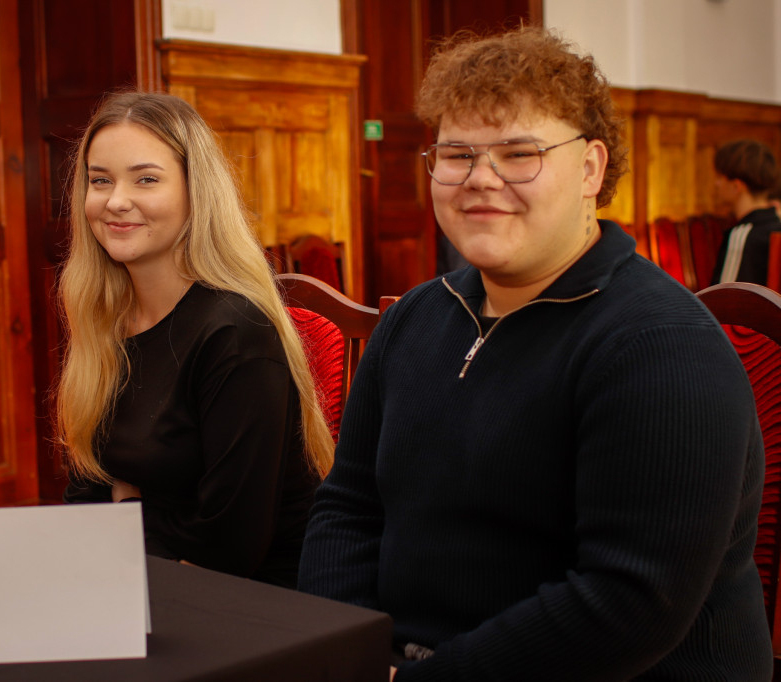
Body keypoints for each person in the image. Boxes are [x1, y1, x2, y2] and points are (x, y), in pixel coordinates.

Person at [298, 27, 771, 681]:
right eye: (457, 154)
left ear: (591, 169)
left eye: (519, 154)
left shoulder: (662, 346)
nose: (480, 179)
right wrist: (346, 650)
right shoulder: (413, 318)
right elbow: (348, 505)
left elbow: (628, 604)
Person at [57, 91, 334, 588]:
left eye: (146, 179)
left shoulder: (236, 332)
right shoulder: (106, 318)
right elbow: (88, 490)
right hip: (145, 578)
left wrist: (132, 507)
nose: (115, 201)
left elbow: (228, 550)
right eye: (100, 180)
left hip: (254, 602)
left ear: (195, 193)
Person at [710, 139, 781, 284]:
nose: (716, 184)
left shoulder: (742, 235)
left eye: (720, 177)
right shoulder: (777, 224)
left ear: (736, 186)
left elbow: (725, 295)